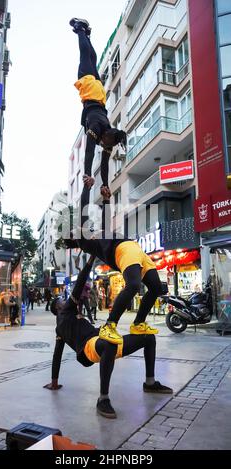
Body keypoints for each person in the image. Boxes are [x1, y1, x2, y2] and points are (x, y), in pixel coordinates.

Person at [43, 255, 172, 419]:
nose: (66, 300)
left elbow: (57, 355)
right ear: (59, 308)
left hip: (101, 339)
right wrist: (90, 260)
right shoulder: (66, 312)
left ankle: (150, 383)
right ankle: (103, 399)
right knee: (109, 343)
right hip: (90, 347)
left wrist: (54, 382)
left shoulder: (60, 328)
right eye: (61, 301)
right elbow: (80, 283)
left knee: (148, 338)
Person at [63, 185, 165, 345]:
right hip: (123, 250)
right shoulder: (84, 241)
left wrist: (106, 199)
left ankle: (138, 323)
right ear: (74, 238)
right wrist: (86, 188)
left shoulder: (99, 234)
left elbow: (106, 221)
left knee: (156, 288)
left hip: (137, 249)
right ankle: (109, 325)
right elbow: (83, 209)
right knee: (133, 285)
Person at [70, 17, 127, 192]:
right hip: (90, 91)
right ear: (108, 136)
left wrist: (105, 185)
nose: (104, 146)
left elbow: (104, 165)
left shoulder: (109, 138)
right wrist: (87, 174)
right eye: (105, 144)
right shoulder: (97, 127)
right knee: (84, 56)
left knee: (91, 59)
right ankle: (80, 29)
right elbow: (88, 152)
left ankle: (87, 34)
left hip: (99, 93)